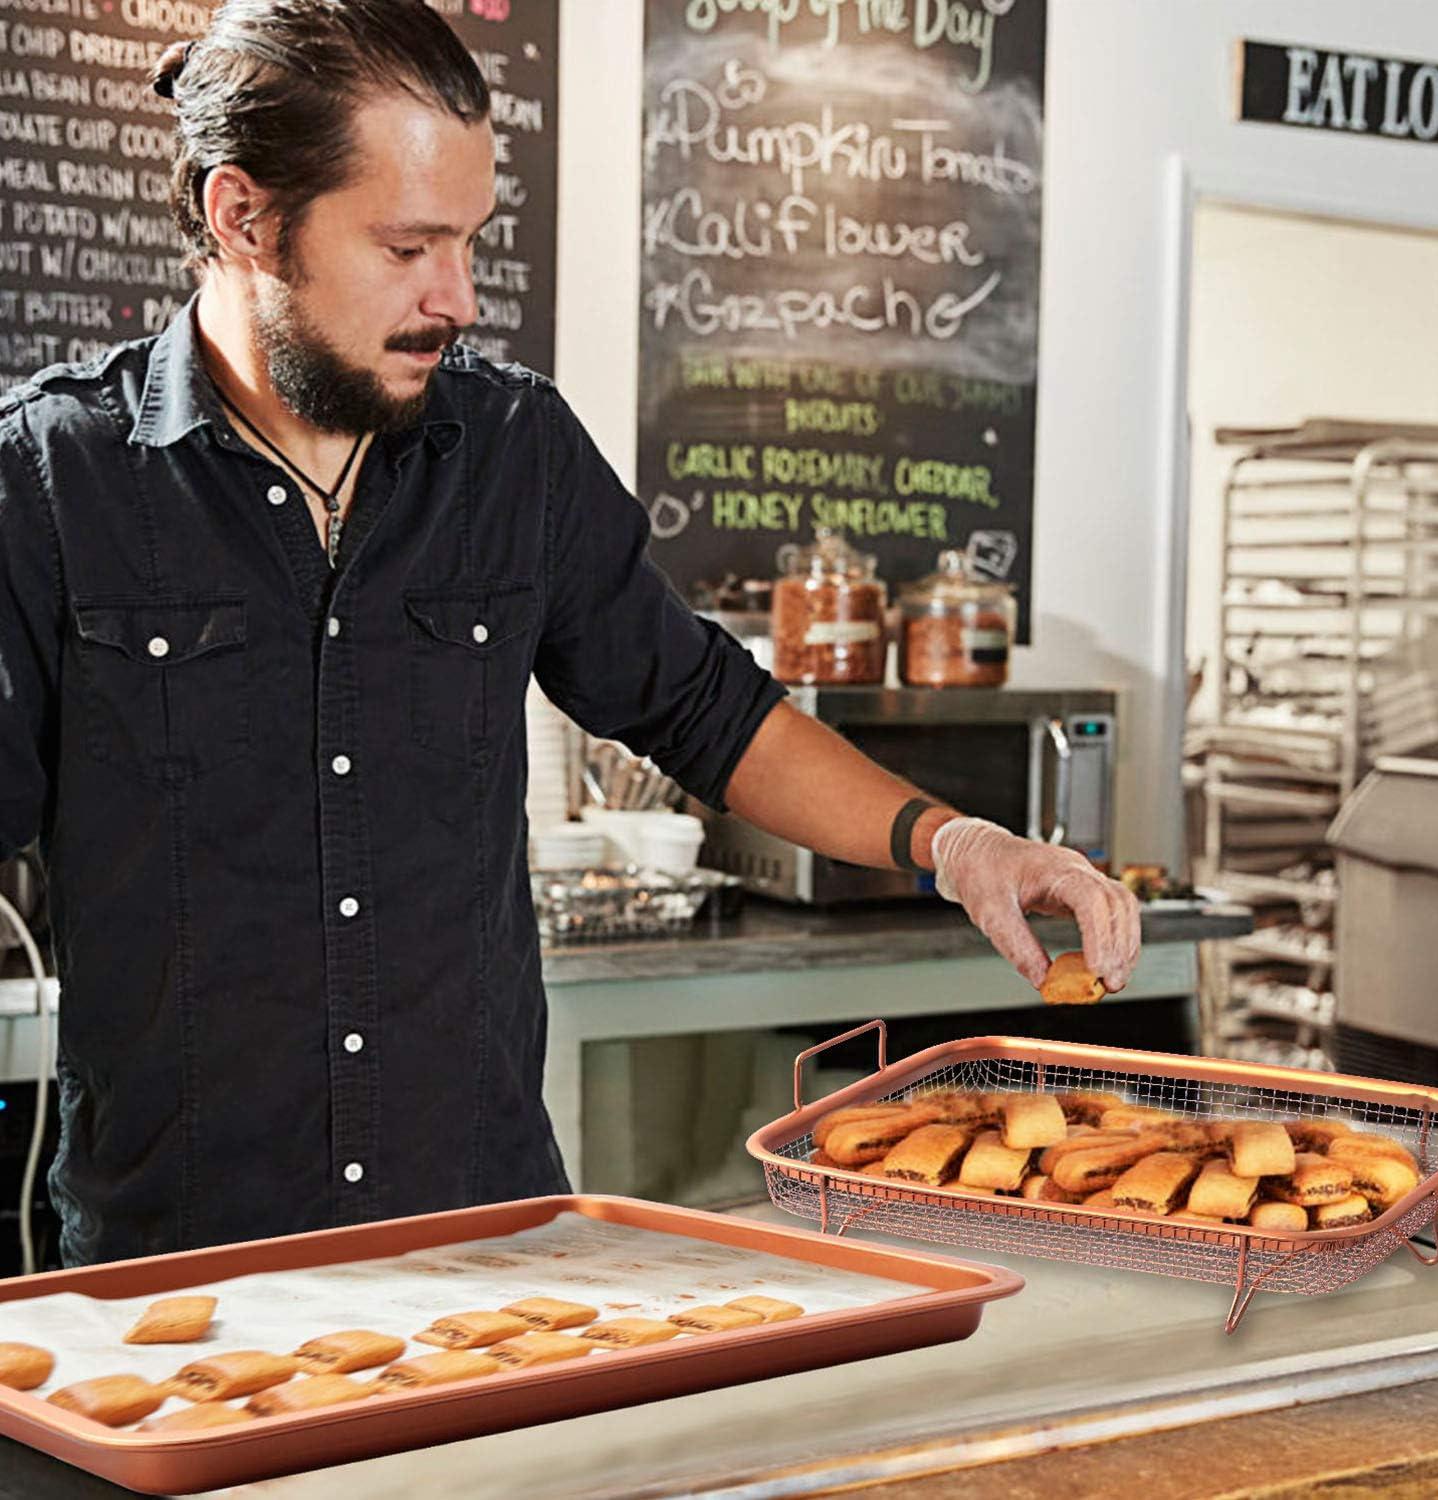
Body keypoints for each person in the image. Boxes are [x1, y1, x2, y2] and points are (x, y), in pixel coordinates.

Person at [0, 0, 1139, 1268]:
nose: (460, 296)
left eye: (471, 241)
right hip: (179, 1265)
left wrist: (955, 840)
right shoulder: (53, 483)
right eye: (408, 245)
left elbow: (706, 708)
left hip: (487, 1240)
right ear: (241, 216)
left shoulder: (513, 453)